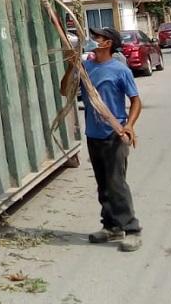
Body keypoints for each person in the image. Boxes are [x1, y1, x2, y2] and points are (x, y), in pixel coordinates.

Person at [60, 26, 143, 252]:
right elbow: (64, 91)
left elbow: (136, 101)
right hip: (94, 135)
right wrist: (71, 66)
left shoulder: (119, 70)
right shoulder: (85, 68)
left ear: (108, 44)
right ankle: (111, 226)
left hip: (114, 135)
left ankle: (132, 229)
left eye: (98, 38)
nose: (94, 40)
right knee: (103, 184)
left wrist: (128, 126)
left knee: (116, 183)